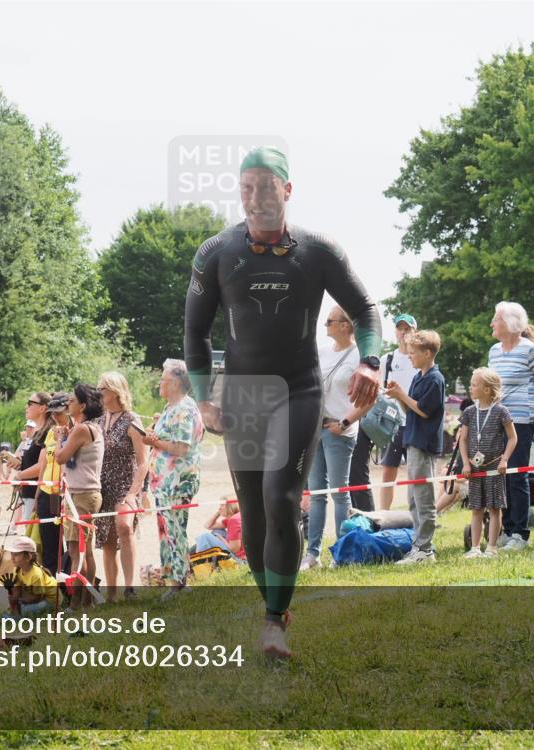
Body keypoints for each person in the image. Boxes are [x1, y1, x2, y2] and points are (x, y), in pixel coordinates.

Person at [184, 147, 380, 658]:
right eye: (246, 187)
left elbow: (365, 310)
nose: (255, 198)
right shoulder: (216, 252)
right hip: (244, 394)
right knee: (251, 513)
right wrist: (205, 401)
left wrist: (370, 362)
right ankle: (272, 603)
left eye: (266, 188)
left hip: (298, 388)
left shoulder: (317, 250)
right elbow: (194, 332)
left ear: (287, 191)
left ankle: (274, 622)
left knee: (280, 497)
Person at [489, 301, 534, 551]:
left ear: (509, 323)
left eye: (496, 319)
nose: (492, 324)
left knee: (516, 474)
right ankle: (507, 528)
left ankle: (520, 533)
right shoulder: (494, 351)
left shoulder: (530, 350)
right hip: (498, 419)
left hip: (521, 420)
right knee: (500, 475)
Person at [301, 305, 365, 569]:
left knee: (340, 492)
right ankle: (312, 554)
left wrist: (346, 421)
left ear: (345, 326)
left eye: (330, 321)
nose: (325, 325)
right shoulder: (322, 352)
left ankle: (341, 551)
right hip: (317, 429)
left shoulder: (359, 355)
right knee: (316, 493)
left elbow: (367, 398)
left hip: (341, 431)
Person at [142, 360, 205, 599]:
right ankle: (171, 579)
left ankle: (179, 582)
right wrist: (154, 436)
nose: (160, 383)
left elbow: (180, 448)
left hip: (178, 482)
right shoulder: (171, 407)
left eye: (164, 380)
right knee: (165, 531)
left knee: (175, 531)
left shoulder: (184, 409)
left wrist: (154, 442)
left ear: (176, 383)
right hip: (164, 483)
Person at [386, 330, 446, 564]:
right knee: (412, 497)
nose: (409, 357)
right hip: (411, 439)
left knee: (423, 498)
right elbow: (410, 409)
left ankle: (425, 549)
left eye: (413, 353)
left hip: (424, 444)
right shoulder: (419, 376)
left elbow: (424, 410)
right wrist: (398, 396)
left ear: (427, 353)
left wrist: (402, 393)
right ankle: (418, 546)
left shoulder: (435, 379)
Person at [96, 372, 149, 601]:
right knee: (107, 538)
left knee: (124, 527)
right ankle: (111, 592)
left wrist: (133, 492)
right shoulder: (98, 420)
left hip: (125, 484)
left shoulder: (131, 419)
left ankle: (130, 587)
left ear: (115, 391)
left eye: (103, 389)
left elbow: (143, 461)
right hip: (102, 485)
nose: (99, 394)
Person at [53, 384, 105, 607]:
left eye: (72, 401)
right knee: (83, 550)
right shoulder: (86, 428)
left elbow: (61, 458)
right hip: (82, 494)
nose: (67, 404)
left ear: (83, 405)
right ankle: (85, 600)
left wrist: (58, 439)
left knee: (78, 552)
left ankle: (77, 603)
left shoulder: (83, 429)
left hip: (83, 495)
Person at [457, 368, 517, 557]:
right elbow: (463, 439)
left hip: (494, 468)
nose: (470, 387)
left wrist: (504, 460)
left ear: (487, 389)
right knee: (476, 508)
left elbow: (513, 438)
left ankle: (491, 547)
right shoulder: (468, 412)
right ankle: (475, 548)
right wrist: (466, 463)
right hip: (474, 469)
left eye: (474, 384)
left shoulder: (501, 411)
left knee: (494, 508)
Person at [374, 314, 420, 511]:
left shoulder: (420, 356)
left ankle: (418, 515)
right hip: (393, 424)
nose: (403, 332)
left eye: (407, 328)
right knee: (387, 472)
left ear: (415, 331)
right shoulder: (388, 359)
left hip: (416, 422)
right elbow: (380, 389)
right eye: (400, 328)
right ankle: (383, 516)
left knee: (416, 474)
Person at [35, 394, 71, 577]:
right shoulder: (51, 431)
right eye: (53, 414)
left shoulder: (75, 431)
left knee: (69, 543)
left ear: (68, 409)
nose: (55, 417)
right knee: (49, 542)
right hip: (47, 491)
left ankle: (68, 581)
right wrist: (38, 494)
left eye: (59, 413)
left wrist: (61, 440)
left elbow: (63, 459)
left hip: (66, 493)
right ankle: (50, 584)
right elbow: (44, 464)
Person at [6, 393, 51, 529]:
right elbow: (34, 461)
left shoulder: (48, 431)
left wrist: (20, 476)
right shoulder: (39, 433)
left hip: (39, 494)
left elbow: (43, 465)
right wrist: (20, 463)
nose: (26, 406)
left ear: (42, 408)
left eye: (30, 403)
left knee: (35, 540)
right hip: (30, 492)